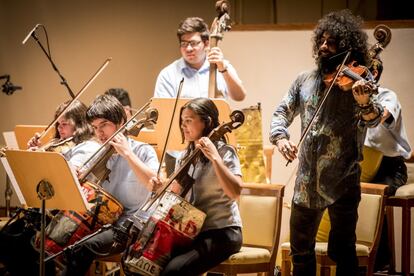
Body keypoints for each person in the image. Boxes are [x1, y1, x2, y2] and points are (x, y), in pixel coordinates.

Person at [269, 10, 383, 276]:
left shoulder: (356, 82)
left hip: (343, 180)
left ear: (347, 46)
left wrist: (364, 102)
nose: (323, 46)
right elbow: (281, 112)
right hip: (306, 183)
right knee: (300, 252)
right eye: (321, 40)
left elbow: (373, 120)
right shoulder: (304, 80)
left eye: (331, 43)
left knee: (343, 252)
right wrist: (281, 137)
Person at [62, 94, 159, 276]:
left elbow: (154, 185)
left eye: (104, 125)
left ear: (121, 121)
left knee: (82, 249)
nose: (99, 133)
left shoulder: (142, 150)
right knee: (62, 243)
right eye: (95, 127)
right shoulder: (99, 153)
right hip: (103, 222)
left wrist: (128, 154)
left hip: (133, 226)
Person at [0, 100, 100, 276]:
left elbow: (63, 180)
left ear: (81, 125)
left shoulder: (88, 147)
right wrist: (36, 153)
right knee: (5, 240)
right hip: (45, 213)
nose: (60, 129)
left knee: (23, 248)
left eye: (65, 124)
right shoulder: (60, 144)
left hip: (65, 217)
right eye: (58, 124)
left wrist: (41, 157)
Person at [150, 97, 243, 275]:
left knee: (175, 270)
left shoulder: (225, 152)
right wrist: (161, 187)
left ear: (207, 122)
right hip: (191, 232)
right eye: (182, 121)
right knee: (151, 261)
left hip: (223, 232)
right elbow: (176, 194)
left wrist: (215, 158)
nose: (183, 126)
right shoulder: (185, 155)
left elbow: (235, 192)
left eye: (189, 121)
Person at [362, 58, 412, 272]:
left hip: (391, 167)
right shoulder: (349, 100)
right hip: (362, 165)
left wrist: (365, 105)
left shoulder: (388, 96)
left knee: (372, 198)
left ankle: (378, 263)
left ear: (374, 72)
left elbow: (381, 117)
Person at [154, 17, 246, 101]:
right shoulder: (168, 74)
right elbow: (163, 112)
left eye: (193, 43)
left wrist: (223, 69)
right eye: (184, 44)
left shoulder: (222, 66)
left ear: (206, 44)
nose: (188, 49)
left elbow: (239, 97)